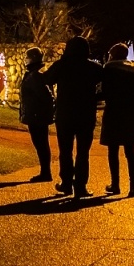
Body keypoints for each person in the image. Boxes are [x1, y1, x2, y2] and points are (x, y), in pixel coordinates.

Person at [41, 36, 104, 199]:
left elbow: (46, 79)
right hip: (85, 114)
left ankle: (67, 183)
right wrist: (94, 97)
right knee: (83, 152)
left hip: (65, 114)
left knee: (65, 150)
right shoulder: (93, 67)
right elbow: (105, 84)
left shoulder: (61, 65)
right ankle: (80, 186)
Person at [99, 43, 134, 197]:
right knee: (130, 152)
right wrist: (130, 104)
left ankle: (115, 184)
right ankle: (133, 186)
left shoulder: (108, 70)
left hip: (113, 113)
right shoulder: (132, 71)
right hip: (130, 114)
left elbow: (104, 92)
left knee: (113, 151)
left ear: (112, 55)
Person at [17, 47, 54, 183]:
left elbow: (46, 96)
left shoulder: (35, 76)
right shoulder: (34, 74)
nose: (25, 59)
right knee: (40, 144)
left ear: (32, 58)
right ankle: (45, 172)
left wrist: (40, 111)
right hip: (35, 114)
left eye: (27, 57)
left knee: (41, 144)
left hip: (37, 116)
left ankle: (45, 173)